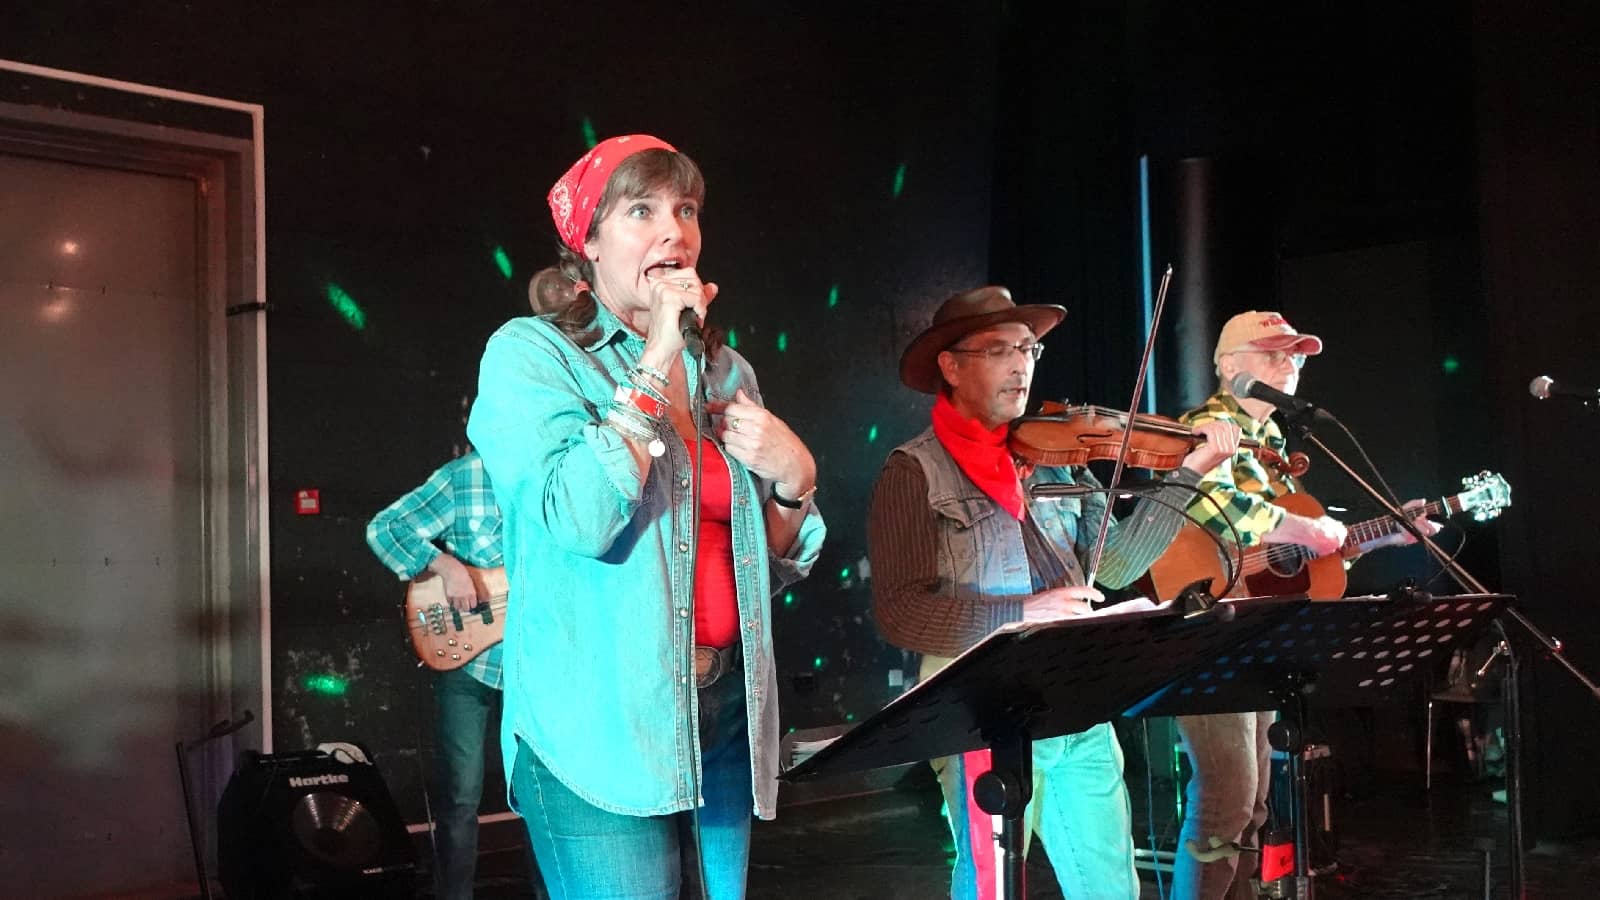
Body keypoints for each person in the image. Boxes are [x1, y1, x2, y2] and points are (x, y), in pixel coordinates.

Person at [466, 134, 826, 900]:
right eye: (641, 210)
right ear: (587, 244)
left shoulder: (726, 371)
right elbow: (578, 518)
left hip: (723, 712)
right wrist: (654, 357)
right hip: (599, 724)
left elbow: (760, 566)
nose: (675, 231)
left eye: (686, 209)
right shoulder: (529, 355)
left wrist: (796, 483)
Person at [867, 285, 1242, 900]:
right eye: (998, 350)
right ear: (951, 365)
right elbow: (902, 613)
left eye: (1029, 349)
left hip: (1076, 702)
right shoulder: (913, 473)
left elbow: (1116, 562)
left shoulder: (1059, 459)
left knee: (1112, 887)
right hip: (981, 713)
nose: (1021, 365)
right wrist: (1022, 612)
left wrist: (1184, 478)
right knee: (992, 889)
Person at [1171, 310, 1440, 900]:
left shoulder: (1274, 441)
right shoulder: (1205, 426)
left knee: (1257, 806)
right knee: (1226, 801)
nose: (1288, 364)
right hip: (1203, 629)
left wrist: (1378, 538)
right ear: (1228, 365)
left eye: (1294, 355)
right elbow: (1221, 511)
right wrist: (1300, 526)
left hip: (1253, 632)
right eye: (1272, 353)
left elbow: (1287, 566)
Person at [366, 449, 521, 900]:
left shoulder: (554, 476)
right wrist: (447, 566)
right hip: (467, 662)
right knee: (460, 797)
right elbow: (385, 529)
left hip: (533, 667)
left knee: (539, 795)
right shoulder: (465, 477)